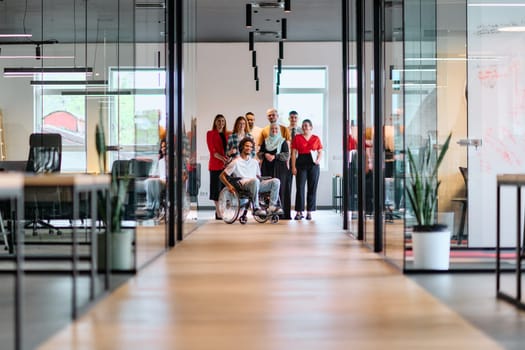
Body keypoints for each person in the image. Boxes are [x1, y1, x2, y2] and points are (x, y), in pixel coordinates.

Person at [220, 137, 283, 217]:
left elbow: (259, 177)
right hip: (243, 185)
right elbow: (222, 176)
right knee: (255, 181)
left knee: (276, 181)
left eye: (250, 147)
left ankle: (272, 207)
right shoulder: (235, 162)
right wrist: (229, 186)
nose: (249, 148)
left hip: (256, 183)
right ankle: (256, 208)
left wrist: (265, 180)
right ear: (242, 147)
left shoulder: (254, 162)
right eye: (247, 146)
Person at [291, 119, 323, 221]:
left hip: (313, 165)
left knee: (312, 188)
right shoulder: (297, 137)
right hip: (300, 163)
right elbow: (293, 153)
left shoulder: (316, 138)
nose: (304, 127)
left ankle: (309, 212)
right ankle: (299, 212)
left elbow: (320, 151)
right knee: (300, 188)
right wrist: (293, 166)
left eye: (306, 125)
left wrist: (318, 159)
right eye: (303, 126)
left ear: (311, 127)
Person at [258, 122, 290, 219]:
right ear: (269, 130)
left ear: (279, 130)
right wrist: (265, 155)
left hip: (280, 169)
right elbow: (259, 153)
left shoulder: (283, 141)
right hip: (267, 168)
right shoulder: (266, 141)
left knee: (280, 190)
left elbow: (286, 155)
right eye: (272, 129)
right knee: (266, 192)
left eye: (276, 129)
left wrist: (274, 156)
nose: (274, 131)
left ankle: (280, 214)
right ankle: (267, 214)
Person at [206, 114, 230, 220]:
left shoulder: (227, 134)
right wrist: (223, 159)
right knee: (216, 190)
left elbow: (229, 149)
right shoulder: (210, 133)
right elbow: (213, 151)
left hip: (226, 166)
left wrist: (228, 158)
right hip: (215, 166)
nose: (221, 123)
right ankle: (218, 212)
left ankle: (222, 210)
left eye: (223, 121)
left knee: (224, 190)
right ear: (215, 122)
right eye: (219, 121)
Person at [145, 139, 167, 219]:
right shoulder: (159, 161)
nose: (163, 149)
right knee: (148, 181)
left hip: (167, 181)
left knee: (154, 182)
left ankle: (154, 206)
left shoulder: (173, 159)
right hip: (159, 180)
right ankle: (151, 205)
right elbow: (153, 174)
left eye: (165, 147)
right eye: (162, 147)